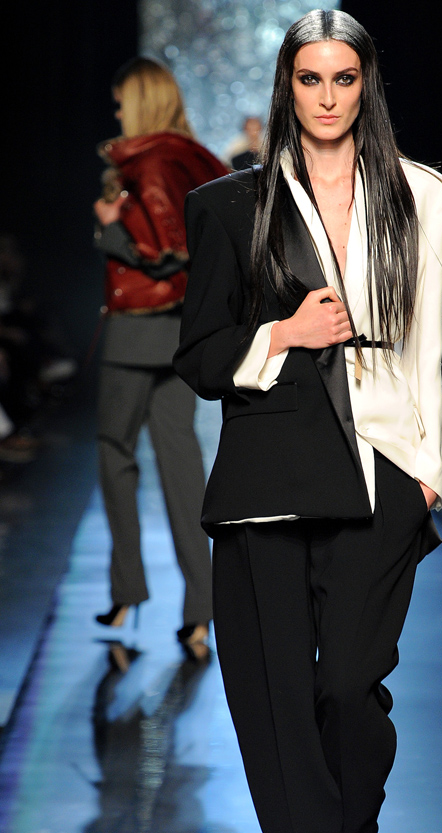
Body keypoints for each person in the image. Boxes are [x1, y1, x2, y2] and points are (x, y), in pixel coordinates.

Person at [173, 9, 442, 833]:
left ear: (364, 85)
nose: (326, 97)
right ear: (285, 87)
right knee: (279, 708)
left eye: (343, 78)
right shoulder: (230, 207)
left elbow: (424, 342)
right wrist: (284, 332)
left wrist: (429, 466)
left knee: (349, 687)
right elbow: (201, 356)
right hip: (269, 480)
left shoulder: (419, 195)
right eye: (308, 78)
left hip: (382, 469)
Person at [93, 57, 225, 657]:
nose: (117, 110)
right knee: (181, 464)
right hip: (178, 333)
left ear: (140, 101)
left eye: (122, 100)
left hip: (135, 333)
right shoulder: (192, 157)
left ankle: (127, 593)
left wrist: (110, 229)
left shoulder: (147, 162)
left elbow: (165, 248)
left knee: (115, 453)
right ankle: (201, 609)